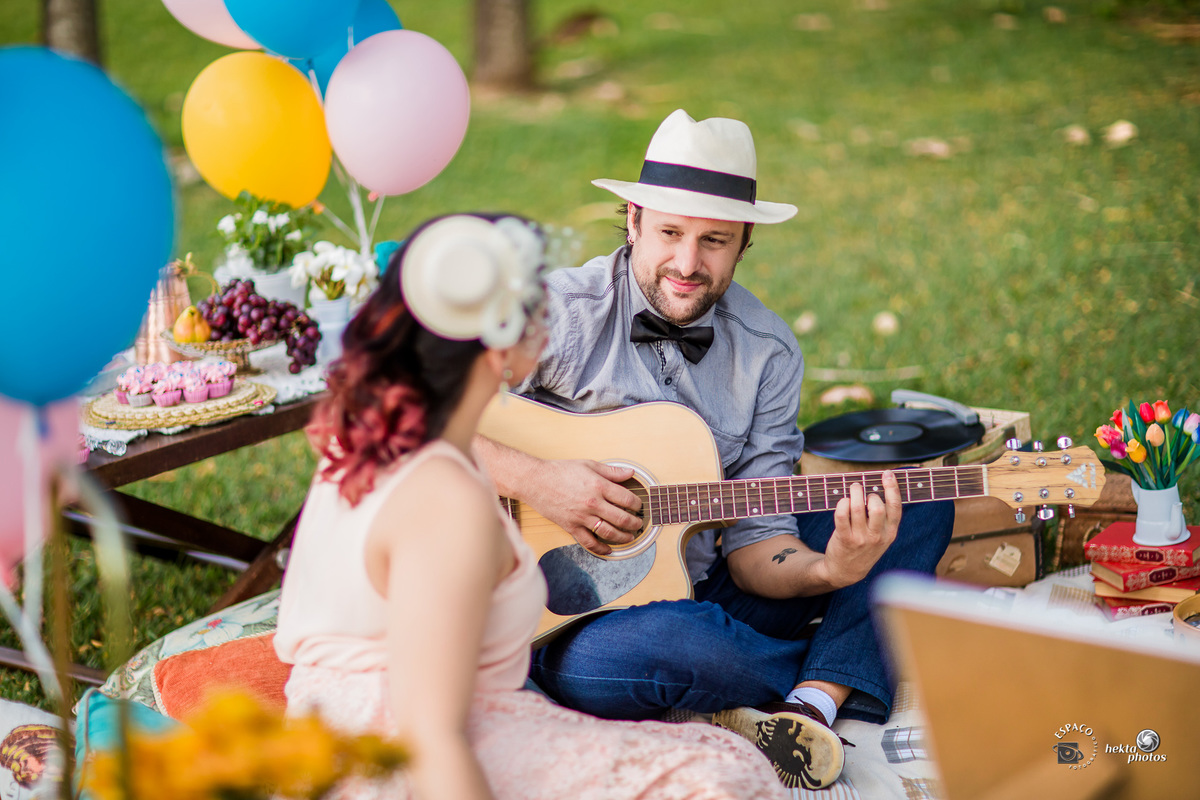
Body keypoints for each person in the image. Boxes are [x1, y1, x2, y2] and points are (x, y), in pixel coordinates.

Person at [473, 110, 956, 790]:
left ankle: (808, 702)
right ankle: (836, 663)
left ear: (745, 242)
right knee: (677, 645)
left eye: (715, 241)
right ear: (634, 217)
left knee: (915, 499)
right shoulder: (560, 313)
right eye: (670, 232)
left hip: (704, 580)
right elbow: (417, 421)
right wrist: (544, 480)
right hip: (567, 622)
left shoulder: (768, 351)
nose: (688, 264)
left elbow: (760, 545)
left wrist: (832, 570)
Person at [273, 213, 788, 800]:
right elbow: (430, 737)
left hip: (346, 726)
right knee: (723, 775)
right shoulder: (446, 500)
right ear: (509, 345)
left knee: (713, 752)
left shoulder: (373, 435)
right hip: (389, 753)